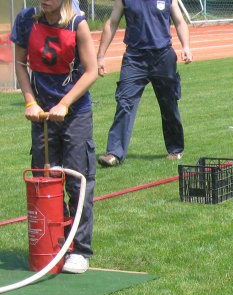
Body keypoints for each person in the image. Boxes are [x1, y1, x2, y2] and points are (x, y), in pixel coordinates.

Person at [11, 0, 98, 274]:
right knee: (44, 181)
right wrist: (29, 102)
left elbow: (92, 71)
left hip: (74, 114)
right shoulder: (26, 20)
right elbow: (20, 64)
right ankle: (52, 246)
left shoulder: (77, 24)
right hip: (42, 115)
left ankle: (79, 250)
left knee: (76, 180)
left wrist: (65, 103)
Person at [96, 0, 192, 167]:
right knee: (124, 102)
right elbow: (112, 22)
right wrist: (101, 56)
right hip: (134, 58)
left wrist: (186, 46)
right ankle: (114, 153)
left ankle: (175, 149)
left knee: (169, 104)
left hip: (163, 56)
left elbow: (179, 21)